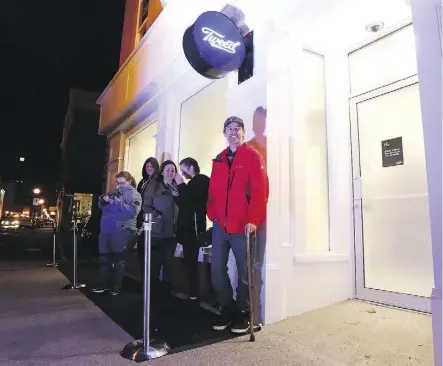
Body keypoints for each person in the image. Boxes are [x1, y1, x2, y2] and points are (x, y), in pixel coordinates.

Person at [207, 116, 268, 334]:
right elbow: (213, 190)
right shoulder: (219, 159)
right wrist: (212, 214)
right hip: (220, 227)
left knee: (245, 273)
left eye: (237, 128)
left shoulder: (252, 155)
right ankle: (227, 309)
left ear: (243, 132)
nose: (234, 131)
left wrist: (254, 219)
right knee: (216, 270)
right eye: (229, 128)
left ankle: (244, 313)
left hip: (243, 226)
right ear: (224, 133)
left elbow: (261, 190)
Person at [93, 171, 141, 296]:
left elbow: (132, 211)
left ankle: (115, 287)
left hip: (122, 231)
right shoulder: (113, 191)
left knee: (119, 260)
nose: (119, 185)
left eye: (121, 182)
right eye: (117, 182)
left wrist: (115, 202)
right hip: (106, 230)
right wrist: (103, 199)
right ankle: (103, 285)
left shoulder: (134, 194)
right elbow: (100, 204)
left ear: (129, 182)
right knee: (104, 259)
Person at [143, 160, 182, 298]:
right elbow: (146, 205)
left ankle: (165, 294)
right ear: (162, 171)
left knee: (169, 264)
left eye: (173, 170)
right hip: (156, 232)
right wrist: (156, 216)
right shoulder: (154, 185)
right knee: (154, 264)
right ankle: (150, 294)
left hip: (172, 233)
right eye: (167, 169)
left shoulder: (177, 187)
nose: (170, 172)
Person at [176, 157, 210, 301]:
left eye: (184, 170)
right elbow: (185, 203)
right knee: (189, 262)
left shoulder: (201, 180)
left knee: (191, 262)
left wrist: (181, 185)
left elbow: (189, 201)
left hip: (193, 230)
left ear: (191, 168)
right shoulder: (193, 183)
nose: (183, 174)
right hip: (188, 230)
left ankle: (195, 293)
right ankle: (193, 292)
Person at [136, 157, 160, 273]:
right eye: (147, 166)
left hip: (150, 221)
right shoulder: (143, 181)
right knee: (141, 250)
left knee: (148, 251)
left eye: (151, 166)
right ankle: (144, 280)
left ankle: (148, 283)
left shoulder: (157, 182)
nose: (149, 169)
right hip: (141, 220)